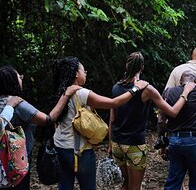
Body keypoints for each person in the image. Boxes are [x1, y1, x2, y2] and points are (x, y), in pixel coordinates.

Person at [51, 56, 149, 190]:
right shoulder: (81, 93)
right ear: (75, 74)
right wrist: (135, 89)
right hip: (80, 151)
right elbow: (114, 103)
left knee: (64, 185)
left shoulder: (61, 91)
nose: (85, 73)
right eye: (83, 71)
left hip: (60, 147)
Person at [109, 52, 194, 190]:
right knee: (134, 187)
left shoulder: (115, 87)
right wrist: (186, 92)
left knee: (125, 184)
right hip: (135, 144)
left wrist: (110, 144)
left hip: (117, 144)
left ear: (126, 65)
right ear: (142, 68)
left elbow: (112, 119)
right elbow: (172, 112)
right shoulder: (147, 90)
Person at [0, 65, 81, 190]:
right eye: (19, 77)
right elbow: (48, 119)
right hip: (17, 162)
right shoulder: (17, 103)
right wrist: (66, 95)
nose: (22, 79)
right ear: (13, 81)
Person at [162, 68, 196, 190]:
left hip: (175, 139)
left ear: (180, 81)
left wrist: (162, 142)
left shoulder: (169, 92)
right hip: (195, 139)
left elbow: (161, 119)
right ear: (195, 82)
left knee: (174, 179)